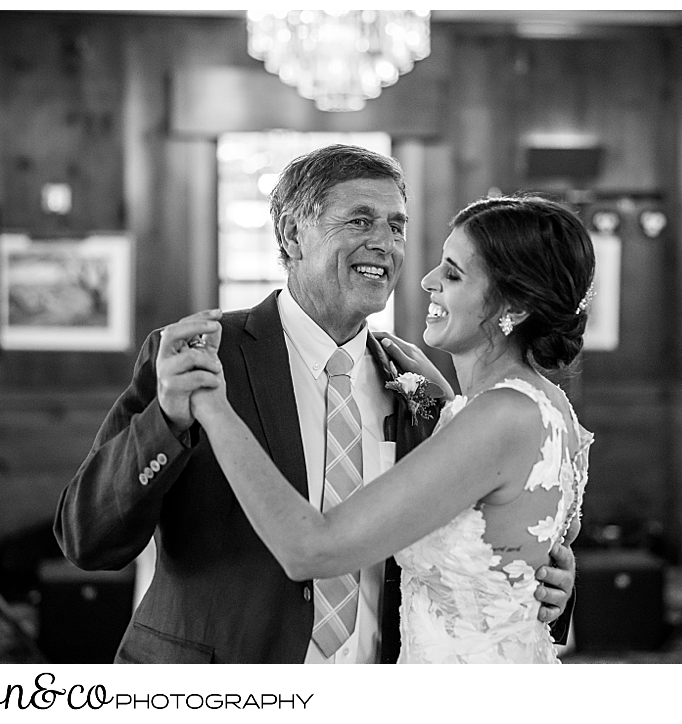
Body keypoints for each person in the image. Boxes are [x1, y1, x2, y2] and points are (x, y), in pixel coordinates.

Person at [53, 144, 575, 664]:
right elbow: (88, 539)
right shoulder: (202, 358)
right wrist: (168, 420)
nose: (385, 245)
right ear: (292, 236)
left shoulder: (422, 381)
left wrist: (545, 578)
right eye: (359, 221)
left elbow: (478, 530)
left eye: (396, 226)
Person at [187, 192, 595, 663]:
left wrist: (215, 409)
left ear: (516, 308)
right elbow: (543, 545)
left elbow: (311, 550)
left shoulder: (497, 418)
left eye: (454, 273)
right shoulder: (549, 405)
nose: (426, 280)